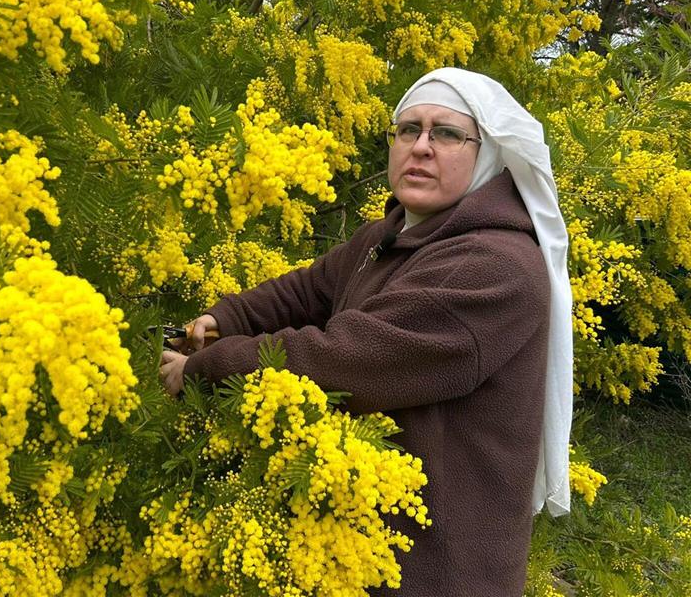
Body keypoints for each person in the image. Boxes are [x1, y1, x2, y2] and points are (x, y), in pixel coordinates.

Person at [159, 67, 574, 596]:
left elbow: (348, 360)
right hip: (356, 550)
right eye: (408, 129)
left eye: (447, 134)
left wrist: (206, 368)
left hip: (436, 569)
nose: (420, 146)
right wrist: (227, 318)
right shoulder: (392, 234)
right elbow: (308, 291)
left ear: (488, 153)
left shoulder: (495, 267)